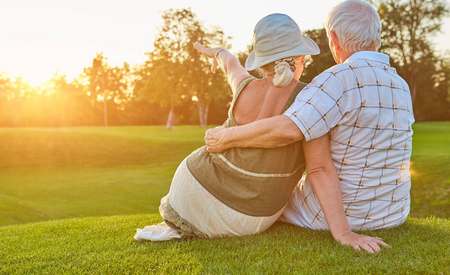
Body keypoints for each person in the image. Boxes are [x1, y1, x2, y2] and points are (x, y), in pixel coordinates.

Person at [135, 13, 387, 253]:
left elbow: (230, 64)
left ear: (261, 62)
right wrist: (344, 233)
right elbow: (319, 169)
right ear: (300, 57)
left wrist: (218, 53)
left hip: (188, 192)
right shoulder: (309, 99)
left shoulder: (244, 86)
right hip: (247, 217)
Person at [205, 0, 414, 252]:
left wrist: (225, 137)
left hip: (341, 217)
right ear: (375, 36)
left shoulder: (337, 79)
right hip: (393, 214)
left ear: (334, 38)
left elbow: (291, 133)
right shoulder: (400, 85)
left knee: (271, 195)